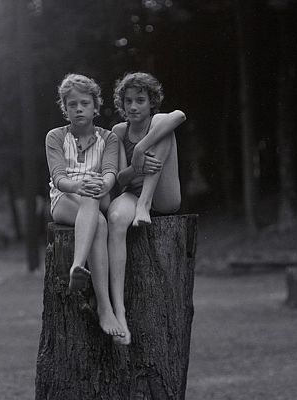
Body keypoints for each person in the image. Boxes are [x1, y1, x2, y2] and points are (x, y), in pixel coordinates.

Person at [106, 72, 186, 345]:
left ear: (152, 102)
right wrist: (135, 165)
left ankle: (144, 205)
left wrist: (141, 148)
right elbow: (120, 179)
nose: (133, 106)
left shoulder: (158, 119)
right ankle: (119, 311)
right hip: (132, 192)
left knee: (164, 124)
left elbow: (180, 115)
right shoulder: (118, 132)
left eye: (140, 100)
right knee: (115, 217)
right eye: (128, 101)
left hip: (162, 197)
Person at [45, 73, 125, 339]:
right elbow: (59, 178)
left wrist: (100, 185)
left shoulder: (109, 138)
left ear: (95, 106)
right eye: (72, 104)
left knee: (93, 189)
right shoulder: (55, 137)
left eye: (84, 103)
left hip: (98, 194)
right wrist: (77, 186)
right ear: (65, 109)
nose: (78, 108)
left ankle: (76, 266)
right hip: (65, 199)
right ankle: (105, 308)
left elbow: (111, 172)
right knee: (99, 225)